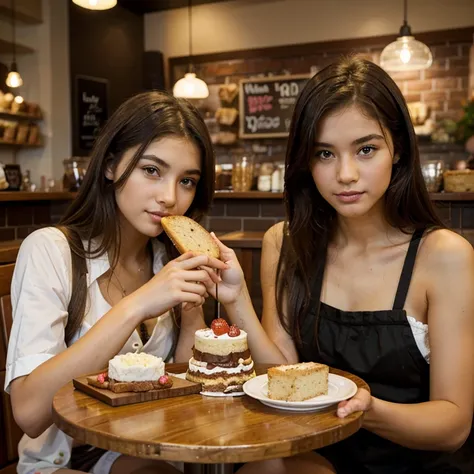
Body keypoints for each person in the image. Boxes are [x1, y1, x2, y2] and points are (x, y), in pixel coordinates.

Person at [212, 57, 474, 473]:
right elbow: (281, 376)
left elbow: (453, 424)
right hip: (313, 459)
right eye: (325, 153)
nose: (346, 174)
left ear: (399, 149)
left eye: (366, 149)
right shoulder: (284, 242)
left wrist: (364, 409)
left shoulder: (444, 255)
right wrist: (237, 299)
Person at [5, 91, 228, 474]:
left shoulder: (168, 261)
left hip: (149, 452)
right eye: (152, 170)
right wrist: (138, 304)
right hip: (63, 460)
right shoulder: (52, 251)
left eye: (187, 180)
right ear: (110, 165)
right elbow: (29, 413)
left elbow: (186, 394)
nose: (170, 197)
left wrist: (193, 315)